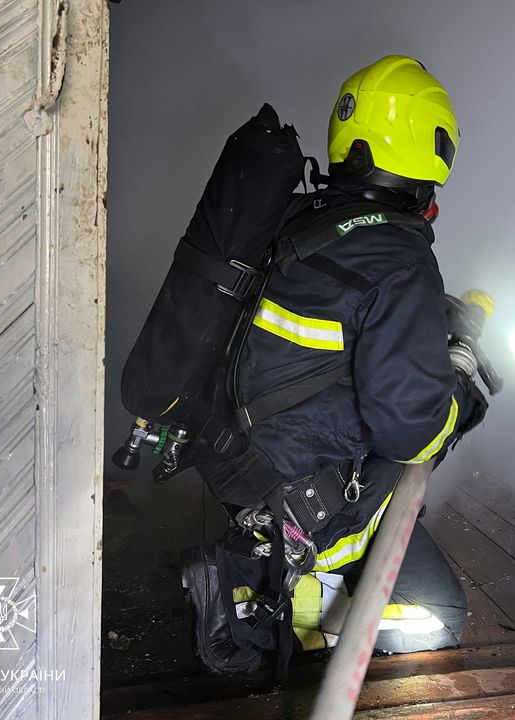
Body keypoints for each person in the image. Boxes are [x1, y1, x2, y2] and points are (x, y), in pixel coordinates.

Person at [181, 55, 490, 675]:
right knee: (439, 612)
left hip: (234, 452)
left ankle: (278, 562)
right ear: (432, 148)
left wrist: (429, 322)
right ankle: (276, 592)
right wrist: (458, 385)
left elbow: (336, 319)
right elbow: (409, 428)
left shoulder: (302, 217)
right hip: (299, 489)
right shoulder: (399, 258)